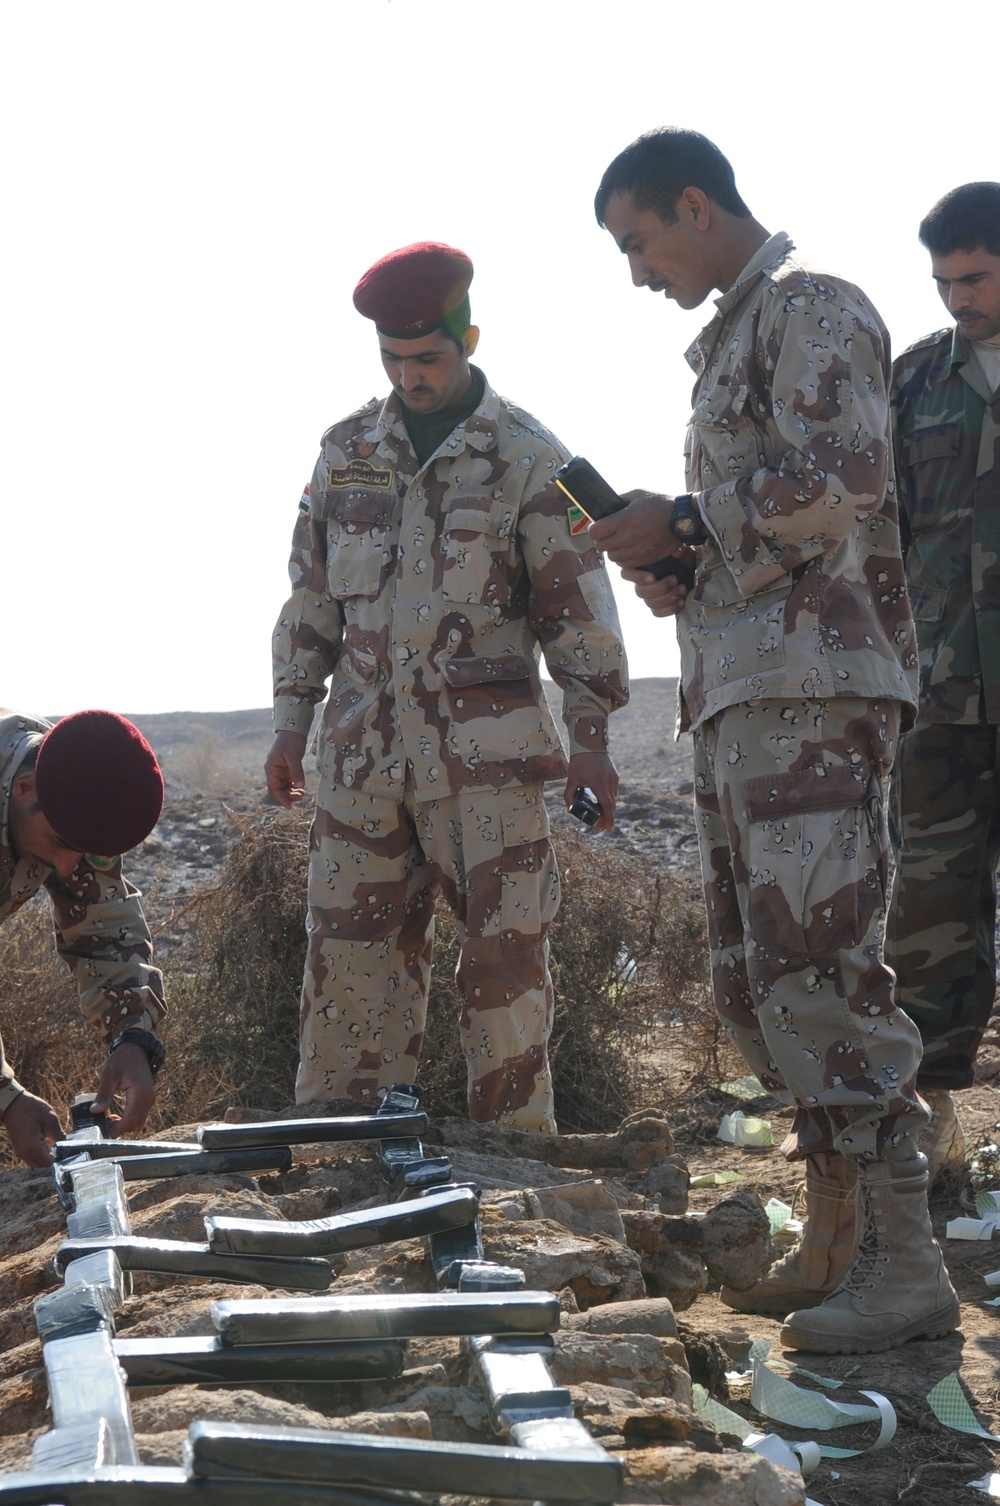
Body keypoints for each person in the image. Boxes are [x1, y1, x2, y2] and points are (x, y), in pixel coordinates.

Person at [589, 127, 958, 1354]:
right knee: (757, 985)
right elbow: (776, 520)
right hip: (745, 686)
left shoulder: (811, 307)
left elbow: (841, 478)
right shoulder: (732, 343)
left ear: (696, 205)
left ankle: (905, 1268)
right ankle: (838, 1242)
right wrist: (680, 560)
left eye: (641, 242)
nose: (639, 273)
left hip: (813, 691)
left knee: (823, 972)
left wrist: (688, 518)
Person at [266, 242, 628, 1133]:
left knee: (505, 972)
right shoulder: (346, 451)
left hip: (486, 772)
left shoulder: (531, 459)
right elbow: (312, 597)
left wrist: (592, 741)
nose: (409, 375)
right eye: (393, 358)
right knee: (350, 970)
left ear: (469, 337)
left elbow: (579, 615)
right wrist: (287, 723)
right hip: (361, 762)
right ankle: (346, 1165)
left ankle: (510, 1172)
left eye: (426, 357)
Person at [887, 182, 1000, 1182]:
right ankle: (934, 1127)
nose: (956, 298)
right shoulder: (915, 381)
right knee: (928, 910)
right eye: (944, 282)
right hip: (940, 697)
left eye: (973, 278)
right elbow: (867, 530)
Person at [1, 708, 167, 1166]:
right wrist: (8, 1097)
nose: (69, 866)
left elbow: (105, 929)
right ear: (23, 789)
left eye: (84, 851)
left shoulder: (69, 792)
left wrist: (133, 1039)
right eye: (59, 842)